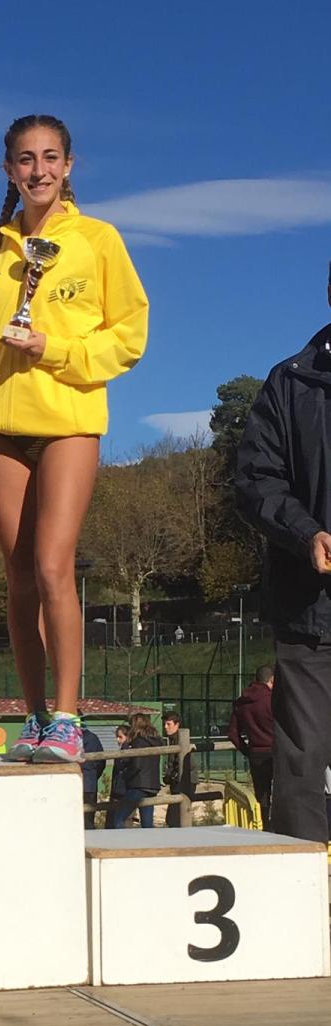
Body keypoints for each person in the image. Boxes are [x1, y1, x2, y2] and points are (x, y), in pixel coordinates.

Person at [0, 115, 148, 764]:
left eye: (50, 157)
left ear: (69, 165)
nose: (38, 170)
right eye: (25, 159)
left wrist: (55, 349)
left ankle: (69, 716)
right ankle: (34, 716)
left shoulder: (98, 239)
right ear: (9, 169)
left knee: (53, 567)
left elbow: (129, 334)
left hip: (69, 418)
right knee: (18, 577)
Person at [235, 264, 331, 842]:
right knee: (302, 766)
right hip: (311, 613)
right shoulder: (290, 383)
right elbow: (256, 480)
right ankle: (304, 886)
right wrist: (307, 534)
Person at [226, 667, 274, 829]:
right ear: (272, 680)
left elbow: (232, 733)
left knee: (262, 796)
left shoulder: (242, 703)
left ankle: (265, 827)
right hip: (276, 753)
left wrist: (247, 750)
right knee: (282, 793)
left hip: (256, 754)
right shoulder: (272, 700)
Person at [107, 713, 161, 829]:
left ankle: (123, 840)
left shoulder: (138, 742)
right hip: (152, 785)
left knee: (118, 819)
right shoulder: (155, 742)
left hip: (138, 785)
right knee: (147, 823)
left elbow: (136, 765)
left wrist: (126, 775)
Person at [161, 710, 199, 828]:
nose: (165, 727)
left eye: (168, 724)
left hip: (185, 781)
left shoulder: (180, 740)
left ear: (177, 725)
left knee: (175, 817)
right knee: (174, 816)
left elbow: (190, 763)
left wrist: (174, 774)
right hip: (179, 781)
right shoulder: (173, 740)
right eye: (165, 724)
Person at [80, 717, 105, 829]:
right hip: (89, 784)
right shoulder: (92, 738)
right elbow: (101, 762)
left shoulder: (65, 739)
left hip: (79, 783)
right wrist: (93, 775)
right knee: (88, 819)